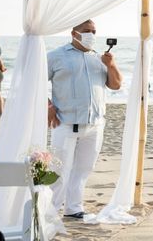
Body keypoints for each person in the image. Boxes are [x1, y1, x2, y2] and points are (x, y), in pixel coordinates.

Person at [47, 19, 122, 218]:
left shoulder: (100, 58)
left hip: (95, 125)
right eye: (87, 31)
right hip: (64, 123)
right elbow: (35, 82)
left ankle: (73, 209)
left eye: (94, 31)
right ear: (74, 33)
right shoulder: (55, 56)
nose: (92, 35)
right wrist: (48, 106)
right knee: (58, 171)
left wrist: (111, 65)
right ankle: (50, 212)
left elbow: (115, 85)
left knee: (83, 170)